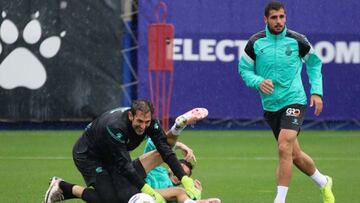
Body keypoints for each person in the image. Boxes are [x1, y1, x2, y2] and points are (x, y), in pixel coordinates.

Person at [238, 1, 335, 203]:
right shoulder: (255, 42)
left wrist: (316, 92)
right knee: (294, 154)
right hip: (271, 106)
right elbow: (244, 70)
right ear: (265, 19)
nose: (278, 21)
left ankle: (279, 200)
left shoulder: (297, 40)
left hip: (295, 100)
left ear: (286, 17)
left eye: (282, 17)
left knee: (284, 147)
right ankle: (323, 181)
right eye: (274, 17)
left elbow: (315, 64)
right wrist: (257, 81)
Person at [44, 100, 201, 203]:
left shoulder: (150, 122)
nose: (143, 126)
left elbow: (165, 150)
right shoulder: (116, 127)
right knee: (112, 201)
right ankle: (63, 186)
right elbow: (125, 166)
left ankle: (60, 187)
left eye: (147, 122)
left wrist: (184, 178)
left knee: (123, 195)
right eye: (139, 121)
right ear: (130, 115)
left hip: (112, 154)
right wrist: (149, 192)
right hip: (89, 155)